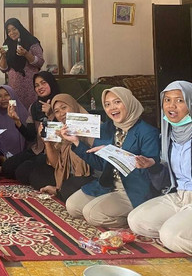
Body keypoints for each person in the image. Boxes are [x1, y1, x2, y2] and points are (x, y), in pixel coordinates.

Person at [128, 81, 192, 255]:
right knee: (136, 221)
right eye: (167, 100)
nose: (171, 105)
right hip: (180, 196)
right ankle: (189, 228)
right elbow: (168, 178)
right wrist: (152, 166)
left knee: (172, 237)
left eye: (180, 100)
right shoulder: (170, 134)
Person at [63, 87, 160, 228]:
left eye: (117, 102)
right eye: (107, 104)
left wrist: (114, 153)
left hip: (133, 188)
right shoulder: (107, 128)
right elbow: (100, 165)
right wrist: (76, 142)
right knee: (73, 206)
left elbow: (152, 170)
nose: (112, 108)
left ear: (128, 102)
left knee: (92, 214)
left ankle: (135, 219)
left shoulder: (147, 132)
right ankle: (115, 210)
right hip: (108, 185)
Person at [18, 94, 93, 202]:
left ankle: (60, 190)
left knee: (69, 187)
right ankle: (61, 190)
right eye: (56, 111)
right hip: (68, 174)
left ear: (74, 106)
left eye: (64, 108)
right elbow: (56, 164)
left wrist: (77, 140)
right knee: (36, 176)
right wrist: (47, 143)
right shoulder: (61, 131)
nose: (61, 114)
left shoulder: (93, 127)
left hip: (89, 175)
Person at [0, 71, 60, 179]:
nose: (40, 87)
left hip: (56, 151)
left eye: (43, 83)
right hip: (37, 150)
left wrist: (52, 114)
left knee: (22, 173)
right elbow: (31, 136)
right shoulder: (34, 107)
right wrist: (17, 121)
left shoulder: (61, 103)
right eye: (36, 85)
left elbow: (68, 130)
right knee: (7, 167)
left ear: (51, 83)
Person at [0, 18, 45, 109]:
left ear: (19, 28)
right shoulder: (7, 44)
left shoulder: (32, 41)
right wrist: (3, 56)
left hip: (31, 87)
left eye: (14, 29)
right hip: (14, 87)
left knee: (31, 113)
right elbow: (3, 69)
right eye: (9, 31)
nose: (12, 32)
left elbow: (40, 62)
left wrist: (26, 54)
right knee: (14, 113)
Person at [0, 85, 31, 166]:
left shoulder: (22, 112)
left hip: (21, 154)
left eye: (6, 95)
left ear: (12, 96)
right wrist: (1, 156)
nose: (3, 99)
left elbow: (29, 137)